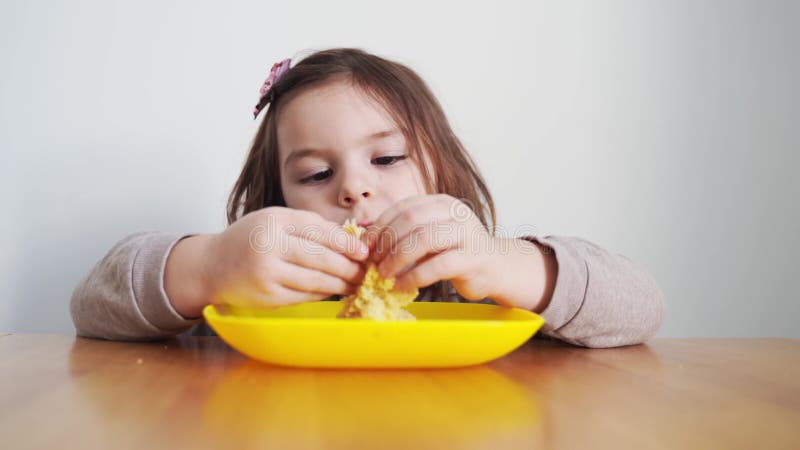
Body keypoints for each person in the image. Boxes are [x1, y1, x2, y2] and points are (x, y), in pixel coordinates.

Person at [70, 48, 664, 348]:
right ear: (274, 204)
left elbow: (644, 307)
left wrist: (508, 264)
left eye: (386, 158)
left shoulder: (476, 287)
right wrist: (207, 265)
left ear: (443, 171)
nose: (355, 188)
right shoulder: (244, 292)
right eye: (314, 174)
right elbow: (90, 305)